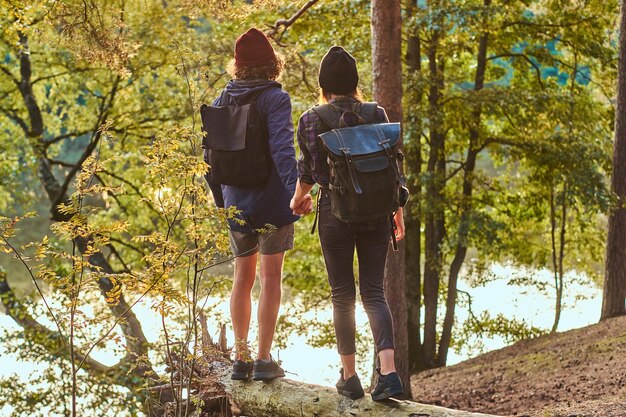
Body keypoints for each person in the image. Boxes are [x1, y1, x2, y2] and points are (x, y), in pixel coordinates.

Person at [290, 46, 406, 401]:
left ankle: (350, 376)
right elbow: (393, 171)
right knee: (374, 292)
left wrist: (297, 201)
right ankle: (389, 374)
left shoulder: (312, 118)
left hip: (334, 215)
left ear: (324, 84)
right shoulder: (377, 113)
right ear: (356, 83)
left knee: (342, 296)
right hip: (376, 214)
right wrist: (397, 213)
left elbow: (309, 172)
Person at [205, 28, 311, 381]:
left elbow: (210, 158)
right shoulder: (274, 98)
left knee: (241, 278)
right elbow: (283, 151)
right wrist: (296, 193)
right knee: (270, 278)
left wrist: (224, 203)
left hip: (236, 203)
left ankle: (241, 358)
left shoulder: (223, 98)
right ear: (272, 64)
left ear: (237, 65)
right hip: (271, 202)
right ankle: (264, 361)